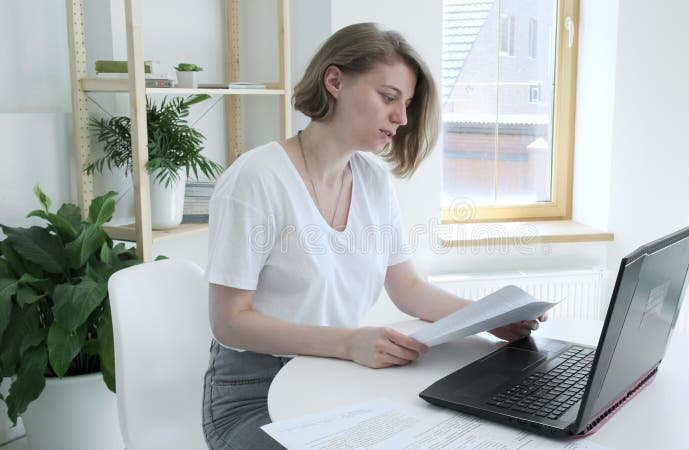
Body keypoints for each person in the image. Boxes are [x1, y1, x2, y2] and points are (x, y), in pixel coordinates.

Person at [201, 22, 547, 450]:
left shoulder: (372, 181)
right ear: (335, 82)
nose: (401, 118)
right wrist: (349, 343)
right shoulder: (255, 180)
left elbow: (408, 289)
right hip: (253, 392)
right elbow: (229, 322)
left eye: (406, 104)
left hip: (332, 377)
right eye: (388, 97)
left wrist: (489, 317)